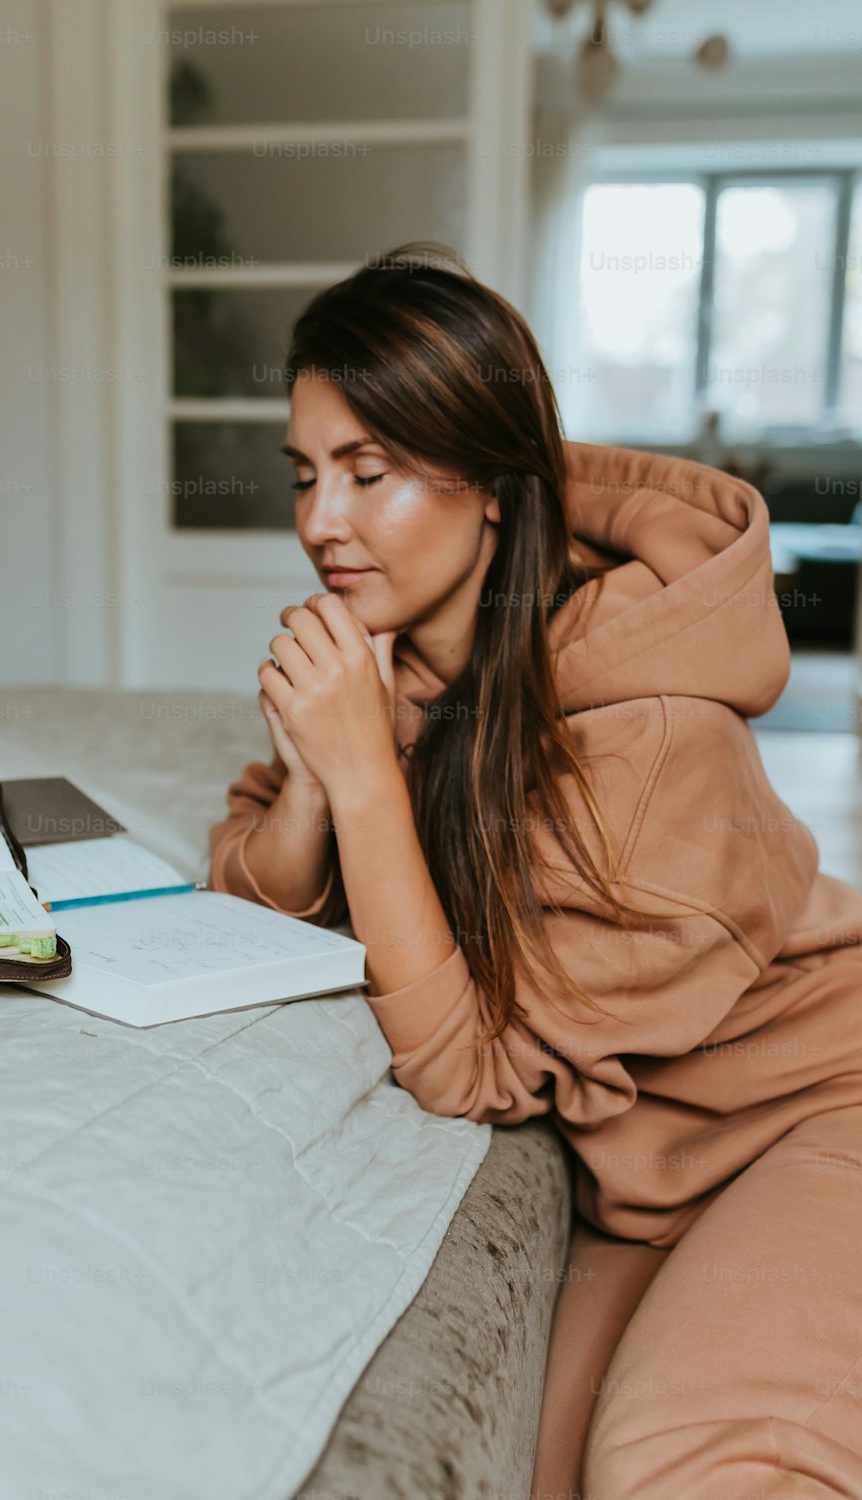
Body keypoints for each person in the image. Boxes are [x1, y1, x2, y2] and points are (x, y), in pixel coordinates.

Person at [207, 242, 862, 1499]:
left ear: (491, 484)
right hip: (649, 1161)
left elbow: (471, 1070)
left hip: (814, 1106)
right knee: (531, 1473)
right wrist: (312, 776)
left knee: (686, 1464)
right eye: (304, 475)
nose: (316, 522)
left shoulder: (659, 737)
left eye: (368, 471)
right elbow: (249, 900)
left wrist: (363, 785)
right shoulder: (390, 666)